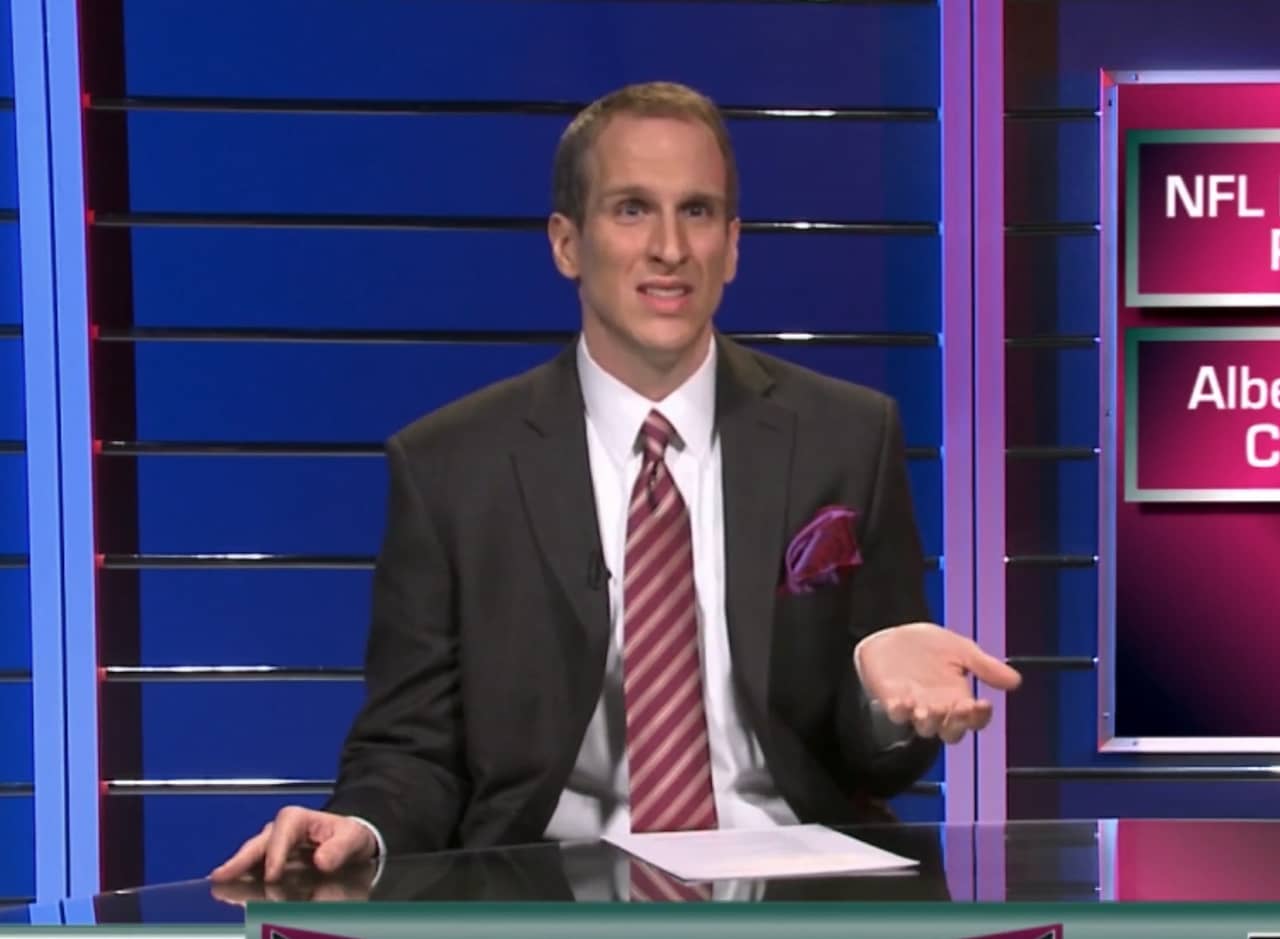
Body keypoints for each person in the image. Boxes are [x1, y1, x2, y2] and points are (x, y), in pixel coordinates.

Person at [211, 80, 1020, 884]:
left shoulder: (847, 437)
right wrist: (362, 823)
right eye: (632, 208)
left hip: (793, 887)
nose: (669, 247)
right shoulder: (451, 467)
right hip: (543, 891)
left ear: (733, 245)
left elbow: (876, 759)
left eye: (697, 211)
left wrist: (887, 707)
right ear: (566, 242)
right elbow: (412, 747)